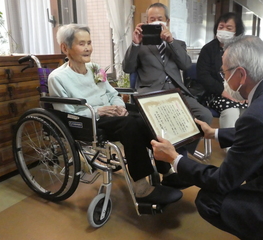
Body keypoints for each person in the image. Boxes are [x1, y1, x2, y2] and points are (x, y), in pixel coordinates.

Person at [150, 35, 263, 239]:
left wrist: (174, 158)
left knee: (209, 201)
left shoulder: (257, 116)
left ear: (241, 74)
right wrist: (214, 133)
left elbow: (222, 181)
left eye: (224, 71)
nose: (223, 78)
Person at [47, 23, 187, 205]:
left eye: (89, 42)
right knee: (131, 125)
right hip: (88, 121)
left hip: (111, 114)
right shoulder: (57, 77)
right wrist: (99, 111)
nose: (88, 48)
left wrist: (119, 106)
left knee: (145, 118)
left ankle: (166, 172)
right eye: (82, 44)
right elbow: (67, 112)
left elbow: (112, 93)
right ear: (65, 48)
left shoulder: (95, 68)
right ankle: (141, 187)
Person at [122, 2, 213, 153]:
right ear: (147, 22)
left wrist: (170, 42)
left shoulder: (178, 44)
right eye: (152, 19)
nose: (156, 22)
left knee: (205, 115)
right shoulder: (140, 45)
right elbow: (127, 68)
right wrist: (135, 44)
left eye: (160, 18)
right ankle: (169, 154)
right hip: (152, 93)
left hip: (176, 91)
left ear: (167, 22)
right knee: (162, 122)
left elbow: (185, 65)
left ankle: (180, 151)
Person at [197, 12, 247, 130]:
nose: (224, 30)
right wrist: (225, 93)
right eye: (221, 27)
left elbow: (248, 74)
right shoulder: (208, 49)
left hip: (239, 93)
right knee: (232, 110)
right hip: (214, 93)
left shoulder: (243, 50)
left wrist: (246, 94)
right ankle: (229, 147)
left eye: (229, 28)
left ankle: (244, 145)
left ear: (237, 31)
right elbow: (203, 76)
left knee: (249, 109)